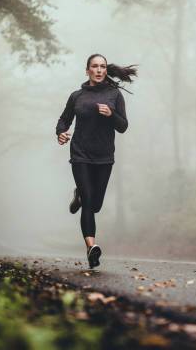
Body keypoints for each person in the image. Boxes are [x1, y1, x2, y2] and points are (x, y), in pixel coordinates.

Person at [56, 54, 136, 268]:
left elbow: (123, 126)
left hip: (104, 156)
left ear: (105, 70)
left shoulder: (114, 95)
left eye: (102, 67)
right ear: (87, 70)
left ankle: (79, 195)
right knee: (89, 204)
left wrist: (111, 114)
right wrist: (61, 133)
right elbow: (64, 119)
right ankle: (91, 247)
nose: (99, 70)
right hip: (80, 154)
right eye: (94, 66)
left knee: (96, 204)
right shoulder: (77, 96)